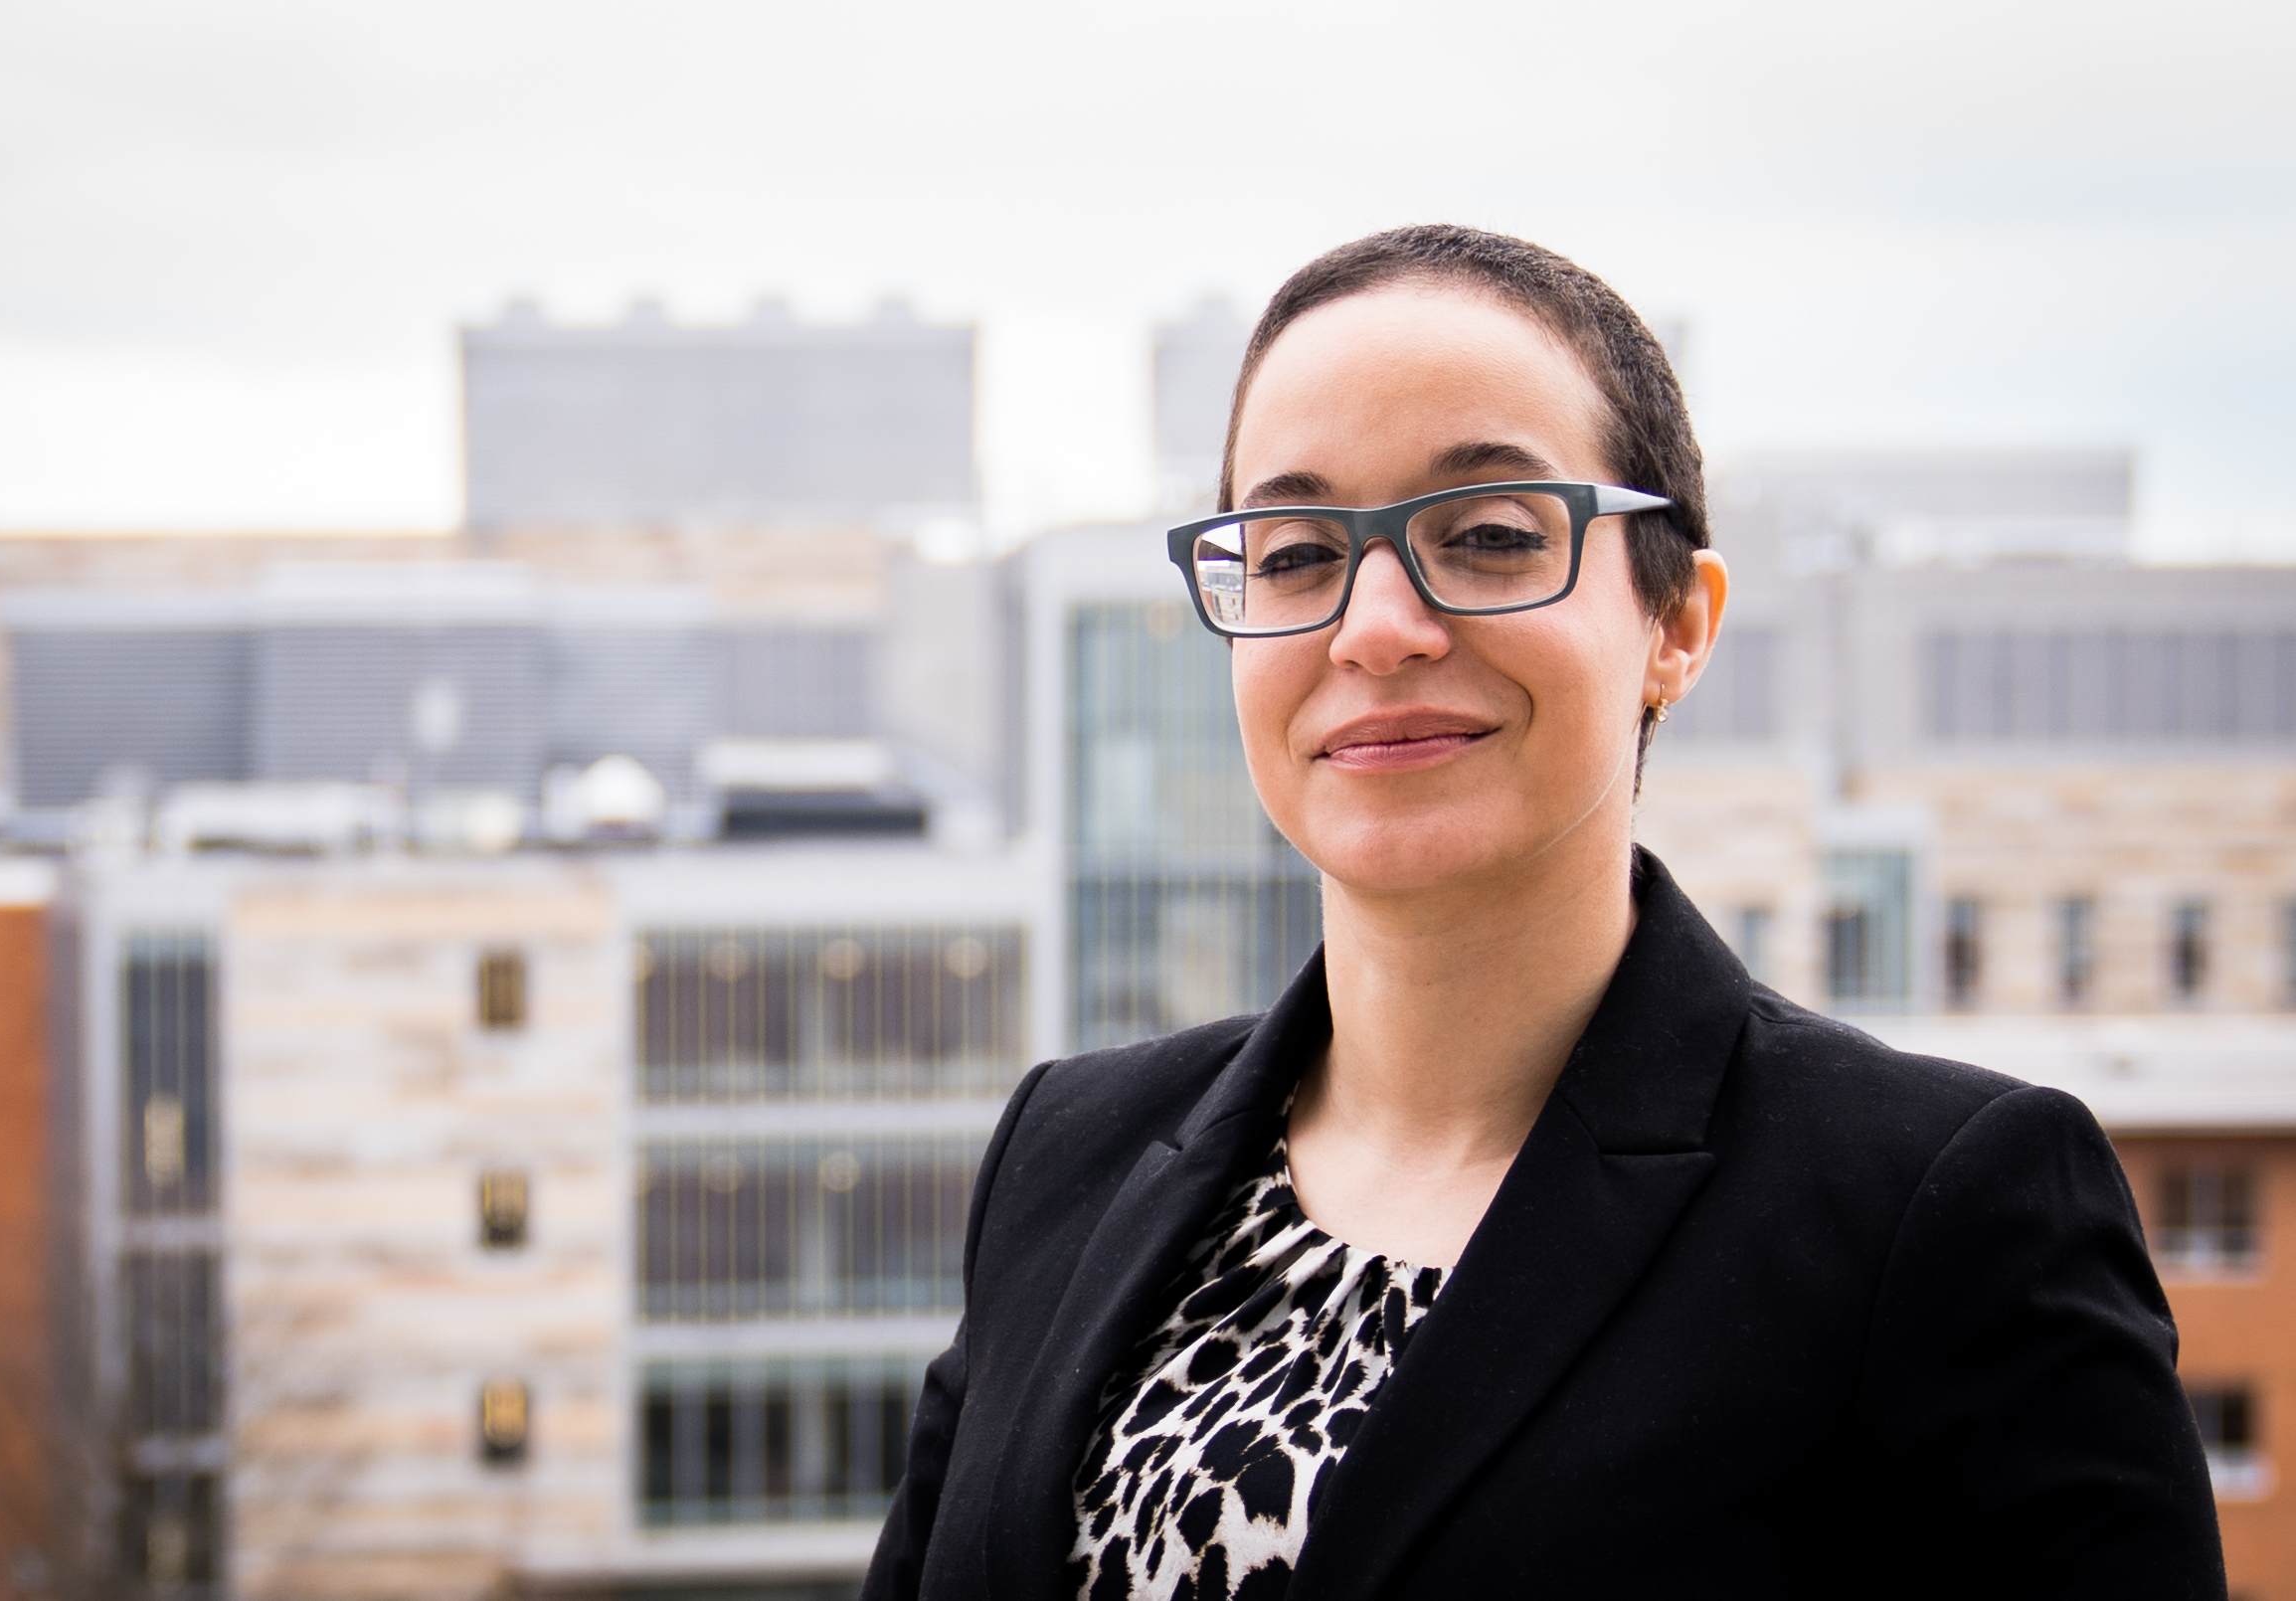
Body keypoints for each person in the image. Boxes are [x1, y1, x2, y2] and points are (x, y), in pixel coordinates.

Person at [862, 225, 2223, 1601]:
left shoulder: (1941, 1214)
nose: (1374, 625)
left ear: (1679, 620)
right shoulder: (1065, 1153)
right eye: (1291, 552)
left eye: (1493, 536)